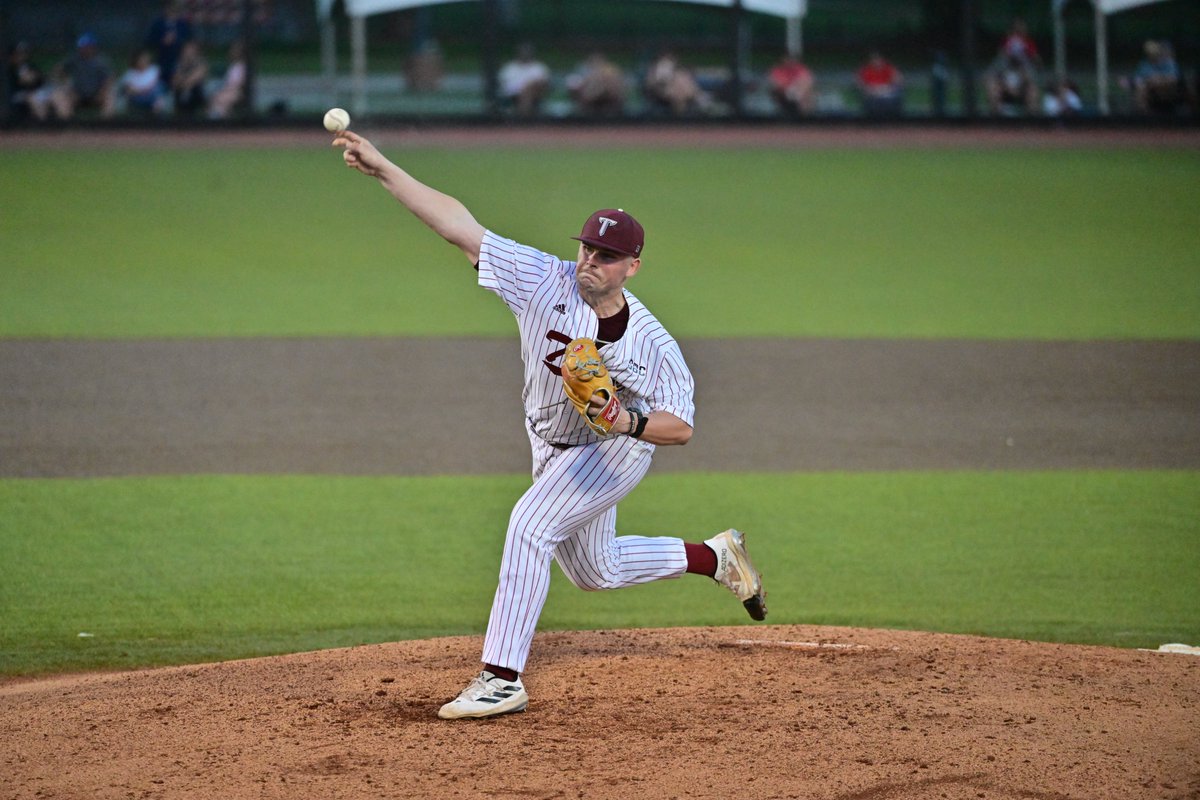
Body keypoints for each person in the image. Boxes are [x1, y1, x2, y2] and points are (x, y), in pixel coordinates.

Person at [330, 130, 768, 721]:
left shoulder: (655, 345)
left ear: (632, 267)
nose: (591, 260)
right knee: (596, 570)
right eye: (588, 248)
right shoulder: (543, 279)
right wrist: (384, 169)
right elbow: (459, 226)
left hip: (614, 450)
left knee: (529, 524)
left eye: (607, 256)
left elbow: (680, 427)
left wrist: (624, 419)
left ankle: (501, 677)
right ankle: (716, 558)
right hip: (550, 443)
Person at [40, 33, 116, 120]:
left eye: (87, 46)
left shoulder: (102, 61)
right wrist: (62, 81)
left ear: (93, 47)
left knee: (110, 95)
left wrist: (102, 92)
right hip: (78, 94)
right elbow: (58, 70)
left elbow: (109, 79)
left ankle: (105, 125)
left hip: (97, 94)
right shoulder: (75, 59)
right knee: (59, 95)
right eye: (82, 47)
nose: (84, 49)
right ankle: (68, 123)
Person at [643, 49, 710, 116]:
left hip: (683, 95)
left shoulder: (679, 72)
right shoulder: (661, 67)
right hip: (662, 95)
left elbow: (689, 85)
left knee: (683, 79)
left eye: (672, 58)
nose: (671, 60)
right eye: (668, 57)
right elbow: (657, 84)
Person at [144, 0, 193, 92]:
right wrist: (162, 41)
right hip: (162, 58)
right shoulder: (157, 24)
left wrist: (177, 40)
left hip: (179, 57)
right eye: (169, 7)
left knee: (177, 75)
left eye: (174, 8)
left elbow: (188, 40)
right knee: (161, 79)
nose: (171, 10)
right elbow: (149, 42)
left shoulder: (183, 24)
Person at [497, 42, 550, 116]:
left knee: (529, 90)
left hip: (535, 96)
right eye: (523, 52)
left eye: (527, 52)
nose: (525, 54)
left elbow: (544, 83)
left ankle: (522, 117)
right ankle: (524, 117)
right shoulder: (509, 67)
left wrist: (528, 88)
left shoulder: (539, 67)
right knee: (526, 92)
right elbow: (503, 84)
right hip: (512, 95)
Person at [1132, 40, 1183, 115]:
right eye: (1149, 52)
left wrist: (1157, 81)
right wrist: (1152, 81)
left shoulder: (1169, 63)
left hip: (1168, 90)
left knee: (1168, 86)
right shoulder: (1144, 64)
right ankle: (1144, 116)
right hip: (1150, 90)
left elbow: (1174, 79)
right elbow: (1137, 79)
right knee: (1140, 88)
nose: (1152, 54)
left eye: (1154, 51)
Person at [856, 50, 903, 117]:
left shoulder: (888, 68)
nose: (876, 62)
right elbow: (860, 83)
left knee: (891, 96)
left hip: (887, 91)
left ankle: (891, 118)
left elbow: (898, 79)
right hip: (872, 92)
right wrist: (870, 89)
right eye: (874, 60)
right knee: (872, 98)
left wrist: (890, 87)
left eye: (878, 60)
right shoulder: (865, 70)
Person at [119, 49, 167, 115]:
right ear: (136, 60)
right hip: (137, 98)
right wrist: (142, 91)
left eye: (145, 59)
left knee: (159, 87)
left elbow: (154, 85)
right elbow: (129, 90)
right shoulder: (130, 73)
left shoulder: (154, 69)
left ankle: (157, 112)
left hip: (151, 96)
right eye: (141, 59)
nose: (143, 61)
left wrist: (143, 90)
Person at [6, 42, 45, 121]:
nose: (22, 55)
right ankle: (43, 124)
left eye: (24, 52)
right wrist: (25, 80)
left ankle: (54, 125)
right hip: (15, 95)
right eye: (20, 53)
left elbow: (40, 80)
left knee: (54, 96)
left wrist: (33, 78)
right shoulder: (9, 68)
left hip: (34, 92)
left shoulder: (30, 66)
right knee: (33, 99)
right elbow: (15, 84)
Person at [767, 52, 815, 116]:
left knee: (809, 93)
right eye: (787, 59)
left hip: (799, 93)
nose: (789, 61)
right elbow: (775, 83)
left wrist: (798, 90)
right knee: (776, 91)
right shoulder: (777, 70)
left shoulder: (801, 69)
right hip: (783, 94)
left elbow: (807, 81)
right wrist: (787, 90)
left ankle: (804, 115)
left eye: (791, 59)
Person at [207, 41, 246, 119]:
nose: (232, 52)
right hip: (228, 90)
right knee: (215, 101)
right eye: (232, 50)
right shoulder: (233, 66)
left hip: (237, 92)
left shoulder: (243, 66)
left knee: (220, 101)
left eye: (235, 50)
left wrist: (222, 93)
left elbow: (238, 85)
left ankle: (221, 124)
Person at [171, 40, 208, 117]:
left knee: (192, 89)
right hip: (180, 91)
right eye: (186, 50)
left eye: (191, 50)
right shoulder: (180, 63)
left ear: (195, 51)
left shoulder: (201, 61)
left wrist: (184, 82)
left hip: (198, 93)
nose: (188, 52)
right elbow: (174, 82)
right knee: (178, 93)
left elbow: (197, 76)